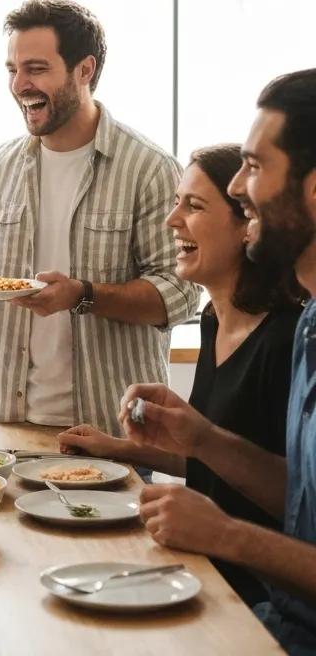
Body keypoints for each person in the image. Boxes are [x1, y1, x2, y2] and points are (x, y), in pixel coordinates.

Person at [0, 0, 199, 433]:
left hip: (113, 429)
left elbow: (181, 294)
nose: (19, 84)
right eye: (12, 70)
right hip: (12, 422)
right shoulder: (3, 165)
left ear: (84, 71)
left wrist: (82, 295)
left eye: (36, 68)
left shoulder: (148, 167)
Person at [57, 143, 301, 606]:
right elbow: (221, 460)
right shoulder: (215, 318)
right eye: (175, 202)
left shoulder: (285, 339)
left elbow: (291, 492)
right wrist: (118, 449)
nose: (172, 220)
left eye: (194, 205)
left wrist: (222, 525)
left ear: (247, 224)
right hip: (202, 570)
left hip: (257, 595)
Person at [124, 69, 316, 654]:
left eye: (255, 168)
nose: (237, 187)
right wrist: (203, 438)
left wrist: (228, 535)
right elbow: (301, 499)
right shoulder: (311, 324)